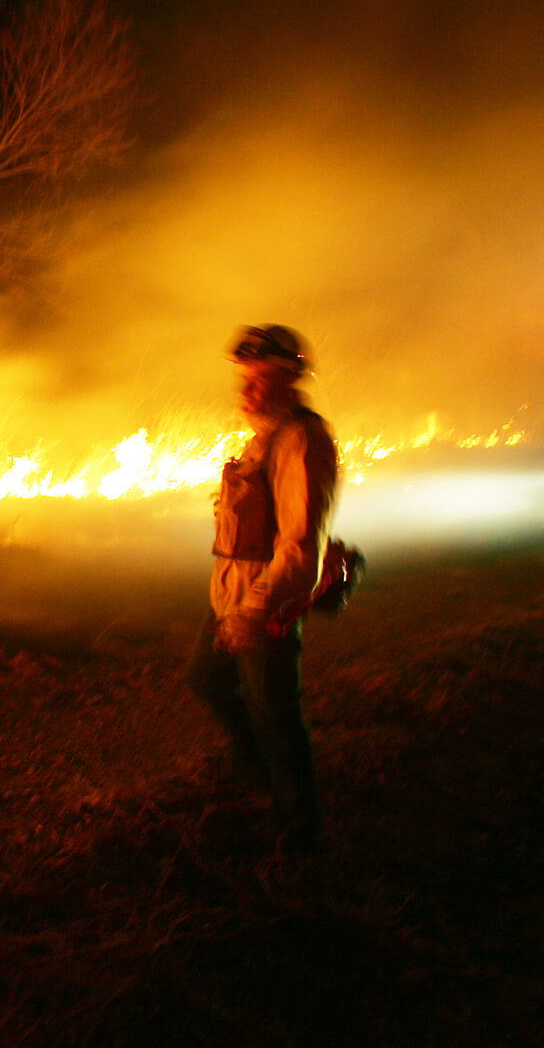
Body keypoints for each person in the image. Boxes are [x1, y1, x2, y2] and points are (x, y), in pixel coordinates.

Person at [187, 324, 339, 852]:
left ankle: (298, 829)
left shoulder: (301, 440)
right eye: (244, 379)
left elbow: (298, 545)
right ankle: (254, 768)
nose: (247, 390)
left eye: (261, 378)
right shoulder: (265, 438)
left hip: (261, 602)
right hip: (228, 597)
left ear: (290, 379)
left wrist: (253, 611)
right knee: (205, 677)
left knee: (273, 710)